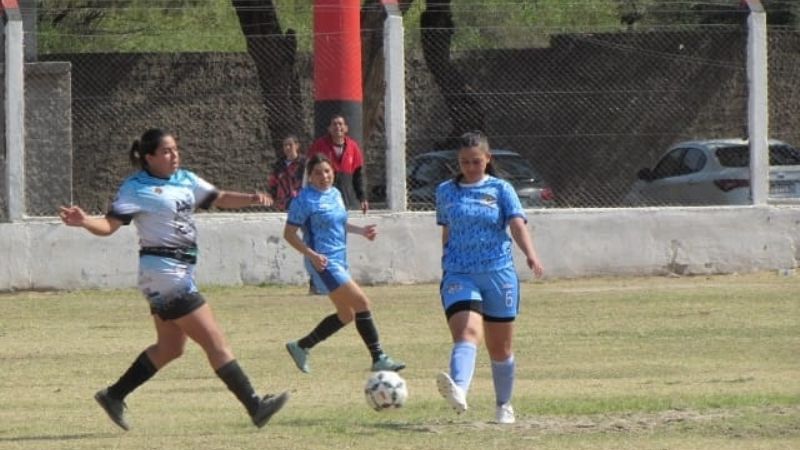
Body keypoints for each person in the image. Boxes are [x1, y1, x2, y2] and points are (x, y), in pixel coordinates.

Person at [59, 128, 288, 431]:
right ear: (149, 157)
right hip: (166, 273)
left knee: (170, 348)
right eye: (166, 151)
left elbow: (218, 197)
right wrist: (85, 220)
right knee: (216, 342)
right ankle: (255, 405)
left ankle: (114, 395)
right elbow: (110, 225)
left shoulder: (185, 179)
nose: (174, 155)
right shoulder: (135, 187)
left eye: (175, 149)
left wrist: (251, 198)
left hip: (176, 272)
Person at [434, 131, 544, 425]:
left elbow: (517, 225)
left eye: (475, 162)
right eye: (464, 162)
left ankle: (504, 404)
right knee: (467, 333)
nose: (470, 168)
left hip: (498, 273)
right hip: (460, 273)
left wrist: (530, 254)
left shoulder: (501, 189)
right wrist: (446, 260)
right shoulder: (445, 191)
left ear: (487, 159)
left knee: (500, 348)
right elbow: (446, 229)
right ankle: (459, 389)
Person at [282, 154, 405, 374]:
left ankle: (301, 346)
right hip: (324, 262)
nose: (324, 176)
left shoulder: (336, 194)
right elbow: (289, 234)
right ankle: (379, 358)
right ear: (309, 177)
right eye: (318, 173)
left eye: (327, 171)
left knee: (346, 314)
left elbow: (338, 223)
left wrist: (361, 231)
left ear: (333, 173)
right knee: (362, 303)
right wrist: (311, 255)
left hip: (340, 259)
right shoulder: (303, 200)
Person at [306, 114, 368, 214]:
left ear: (346, 128)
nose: (338, 127)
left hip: (345, 200)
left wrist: (362, 198)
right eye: (334, 124)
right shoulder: (320, 145)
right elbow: (309, 170)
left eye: (340, 124)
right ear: (329, 129)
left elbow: (358, 176)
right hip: (323, 200)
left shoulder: (353, 147)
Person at [267, 134, 306, 211]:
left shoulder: (304, 163)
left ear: (297, 146)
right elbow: (273, 182)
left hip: (301, 201)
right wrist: (274, 197)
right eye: (285, 145)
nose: (287, 147)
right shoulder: (278, 164)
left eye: (290, 145)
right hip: (283, 203)